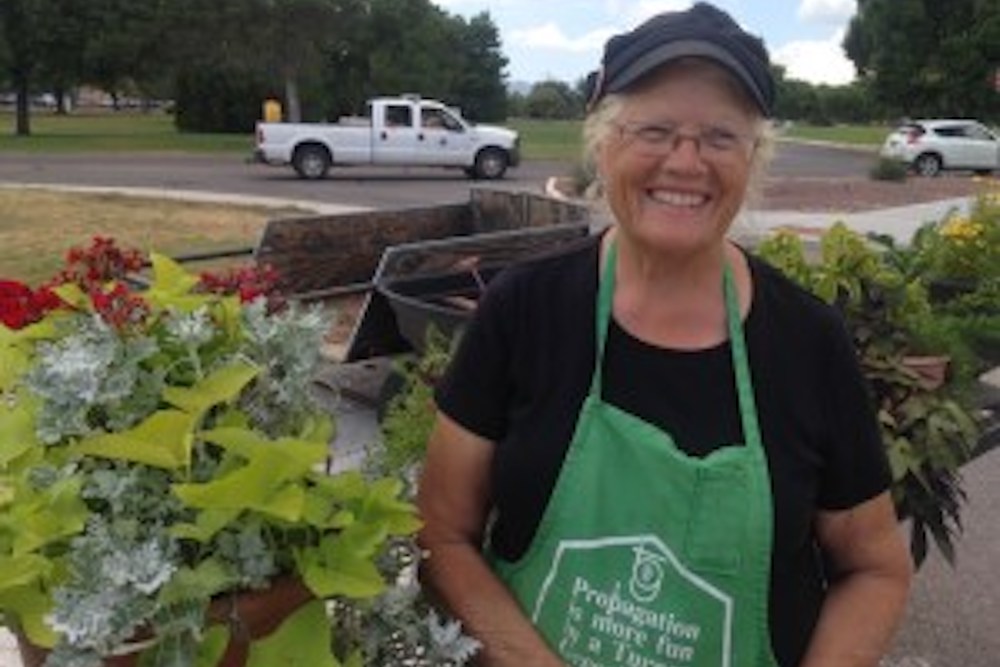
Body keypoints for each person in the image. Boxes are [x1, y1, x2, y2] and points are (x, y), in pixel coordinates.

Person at [417, 3, 913, 666]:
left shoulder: (807, 341)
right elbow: (444, 534)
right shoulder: (524, 310)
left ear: (753, 158)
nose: (686, 161)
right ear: (603, 142)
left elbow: (876, 568)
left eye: (720, 136)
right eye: (654, 129)